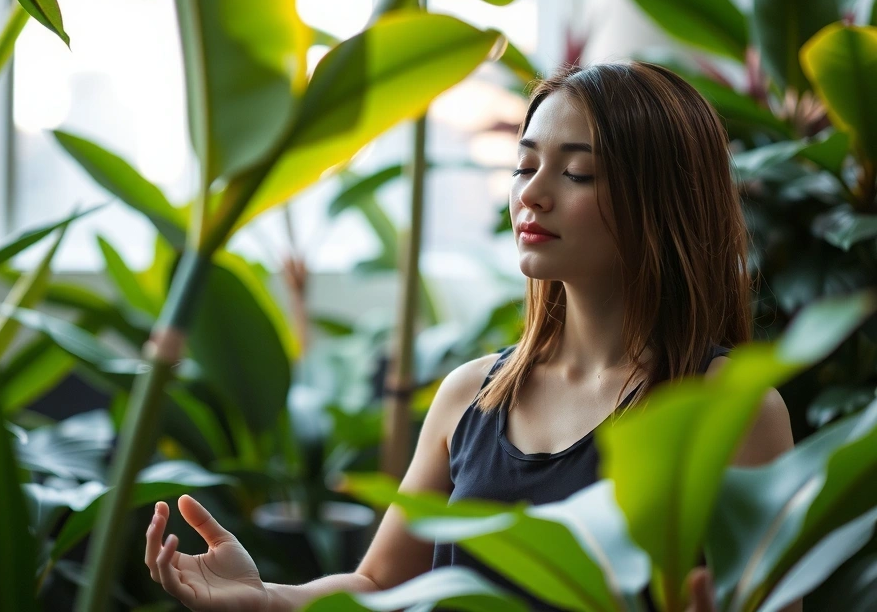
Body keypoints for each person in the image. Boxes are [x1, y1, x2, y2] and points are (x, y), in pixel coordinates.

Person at [144, 61, 799, 611]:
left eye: (575, 173)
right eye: (525, 166)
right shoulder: (471, 395)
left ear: (663, 198)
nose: (531, 195)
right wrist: (268, 598)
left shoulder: (728, 406)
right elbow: (378, 585)